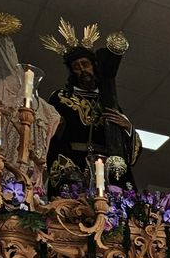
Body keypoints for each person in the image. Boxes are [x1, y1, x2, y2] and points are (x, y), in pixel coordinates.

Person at [41, 19, 138, 194]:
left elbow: (126, 152)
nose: (82, 70)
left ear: (94, 66)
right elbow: (47, 133)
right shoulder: (60, 97)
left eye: (85, 64)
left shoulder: (108, 102)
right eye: (76, 67)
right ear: (72, 72)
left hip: (105, 168)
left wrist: (128, 128)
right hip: (71, 164)